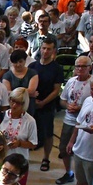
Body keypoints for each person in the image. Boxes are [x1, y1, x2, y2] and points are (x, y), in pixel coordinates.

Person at [56, 56, 93, 185]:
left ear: (90, 67)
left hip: (85, 123)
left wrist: (80, 108)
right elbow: (62, 100)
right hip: (69, 120)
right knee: (64, 148)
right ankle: (68, 173)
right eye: (77, 66)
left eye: (83, 66)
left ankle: (80, 181)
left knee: (80, 151)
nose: (80, 69)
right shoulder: (71, 81)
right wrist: (67, 106)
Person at [29, 38, 64, 172]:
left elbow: (56, 90)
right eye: (43, 48)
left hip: (47, 104)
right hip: (33, 103)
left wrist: (43, 102)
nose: (45, 51)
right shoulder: (33, 66)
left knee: (48, 133)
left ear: (53, 50)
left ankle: (46, 158)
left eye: (49, 49)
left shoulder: (57, 68)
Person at [0, 88, 38, 164]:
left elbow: (33, 144)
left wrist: (19, 143)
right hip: (0, 158)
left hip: (19, 161)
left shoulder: (30, 121)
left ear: (24, 104)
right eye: (12, 100)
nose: (14, 105)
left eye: (18, 103)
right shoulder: (1, 115)